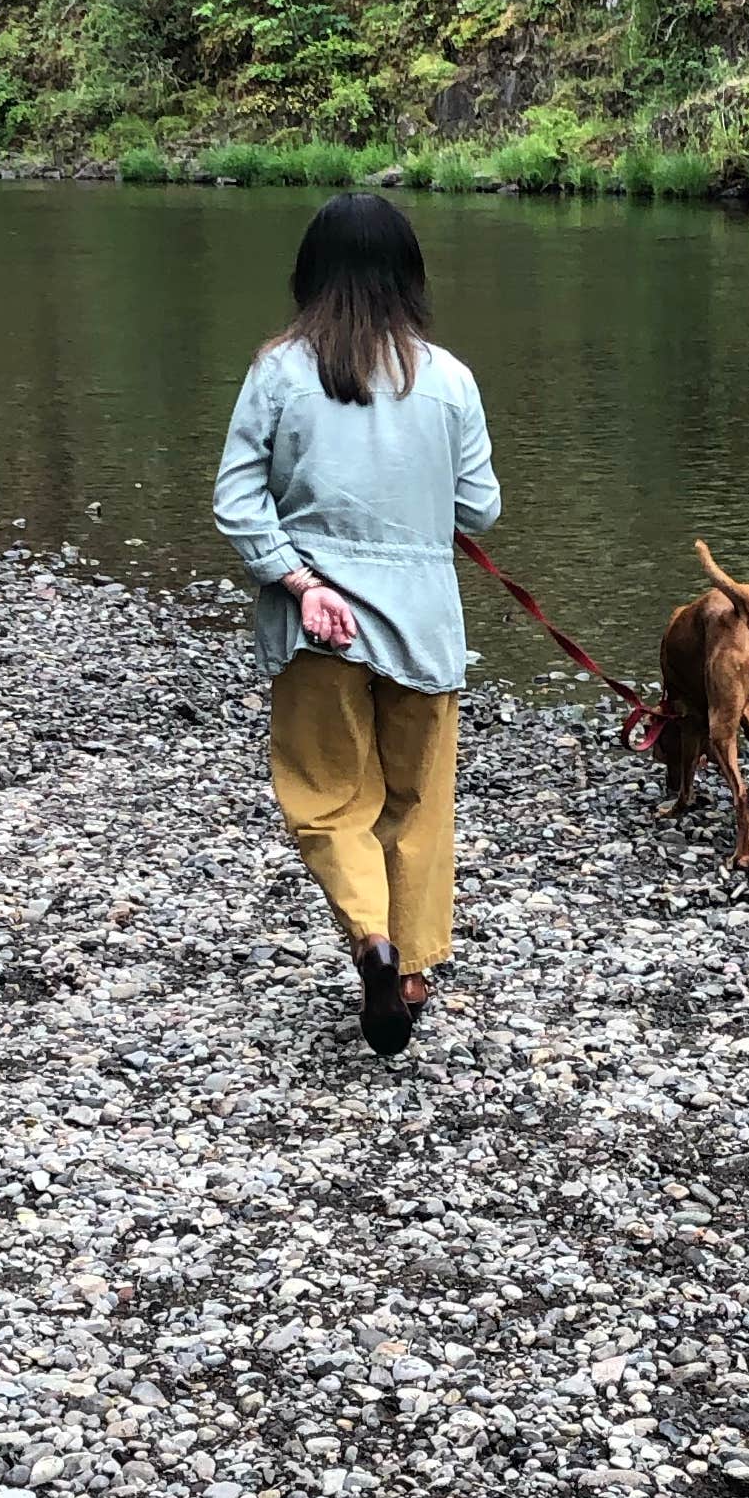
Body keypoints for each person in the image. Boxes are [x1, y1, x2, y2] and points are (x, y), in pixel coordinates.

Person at [213, 191, 502, 1059]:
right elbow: (479, 511)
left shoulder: (279, 371)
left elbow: (235, 503)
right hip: (423, 626)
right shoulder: (450, 379)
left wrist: (298, 578)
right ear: (410, 277)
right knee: (420, 803)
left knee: (329, 797)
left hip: (319, 624)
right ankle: (411, 972)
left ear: (309, 274)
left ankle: (371, 941)